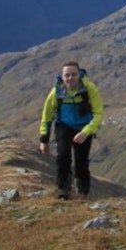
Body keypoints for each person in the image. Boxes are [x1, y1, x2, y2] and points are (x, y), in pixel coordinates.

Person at [37, 61, 104, 200]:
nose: (70, 78)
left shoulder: (89, 88)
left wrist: (86, 131)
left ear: (79, 75)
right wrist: (44, 140)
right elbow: (47, 115)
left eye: (73, 74)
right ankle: (63, 190)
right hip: (64, 126)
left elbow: (98, 114)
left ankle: (82, 193)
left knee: (81, 161)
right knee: (63, 157)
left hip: (84, 127)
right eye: (67, 75)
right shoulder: (56, 91)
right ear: (62, 77)